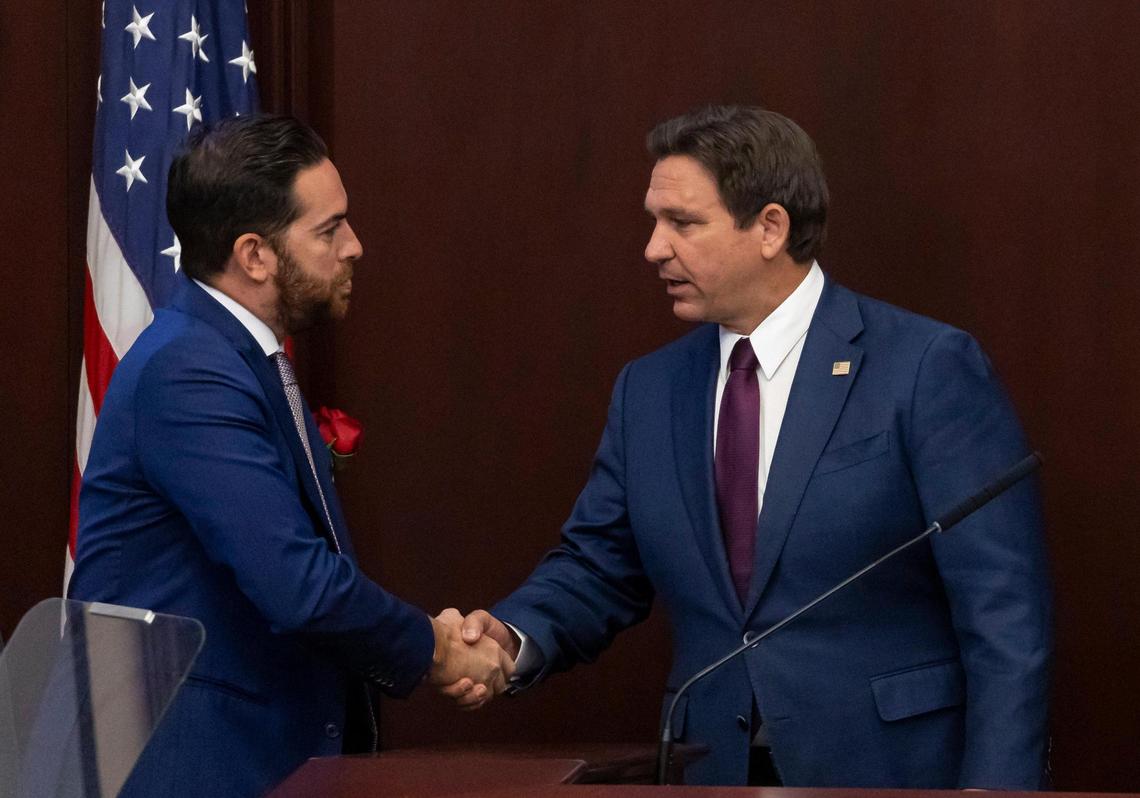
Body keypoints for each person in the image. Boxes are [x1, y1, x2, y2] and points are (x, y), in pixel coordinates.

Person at [451, 106, 1052, 788]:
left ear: (770, 227)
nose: (653, 247)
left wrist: (999, 788)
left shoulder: (924, 367)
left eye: (682, 223)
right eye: (655, 221)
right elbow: (598, 565)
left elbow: (1005, 614)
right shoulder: (650, 390)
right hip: (714, 766)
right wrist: (510, 637)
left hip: (890, 772)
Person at [68, 114, 512, 797]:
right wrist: (436, 646)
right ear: (254, 255)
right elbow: (297, 586)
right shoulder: (190, 372)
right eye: (329, 230)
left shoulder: (239, 358)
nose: (356, 246)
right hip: (205, 769)